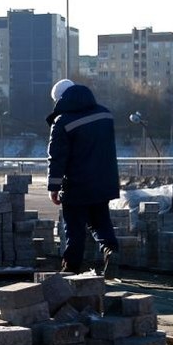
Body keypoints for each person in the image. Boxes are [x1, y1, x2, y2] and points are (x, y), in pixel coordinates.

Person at [45, 79, 121, 279]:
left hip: (77, 185)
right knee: (101, 221)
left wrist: (53, 187)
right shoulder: (104, 114)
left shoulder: (63, 121)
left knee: (74, 228)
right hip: (104, 181)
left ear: (60, 99)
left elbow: (57, 157)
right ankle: (110, 251)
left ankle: (70, 270)